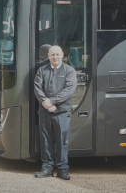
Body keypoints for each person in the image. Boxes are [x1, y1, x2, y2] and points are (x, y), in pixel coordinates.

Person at [33, 45, 76, 181]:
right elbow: (37, 88)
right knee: (45, 141)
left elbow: (69, 90)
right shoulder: (41, 70)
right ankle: (47, 168)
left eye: (57, 54)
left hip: (62, 113)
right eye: (52, 55)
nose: (55, 57)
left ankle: (63, 170)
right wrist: (46, 103)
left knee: (62, 141)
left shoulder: (69, 71)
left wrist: (51, 101)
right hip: (45, 112)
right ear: (48, 56)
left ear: (62, 55)